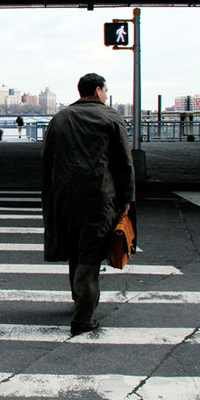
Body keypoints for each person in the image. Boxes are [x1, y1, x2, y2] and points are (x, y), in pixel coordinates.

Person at [41, 73, 135, 336]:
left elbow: (47, 160)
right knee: (91, 255)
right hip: (99, 197)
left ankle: (77, 296)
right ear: (97, 90)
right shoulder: (110, 117)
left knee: (75, 248)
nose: (106, 95)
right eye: (105, 90)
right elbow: (124, 163)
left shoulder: (60, 118)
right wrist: (127, 198)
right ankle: (83, 317)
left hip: (65, 197)